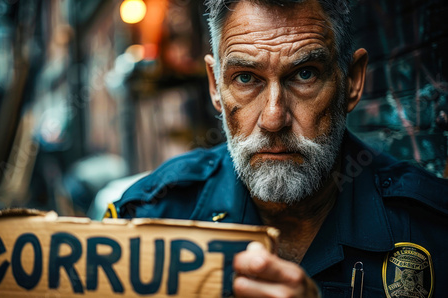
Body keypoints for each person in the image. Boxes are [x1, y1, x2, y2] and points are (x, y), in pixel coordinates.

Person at [108, 0, 448, 296]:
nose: (273, 119)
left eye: (304, 75)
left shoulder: (431, 230)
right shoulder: (149, 219)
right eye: (245, 78)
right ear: (215, 86)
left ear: (352, 82)